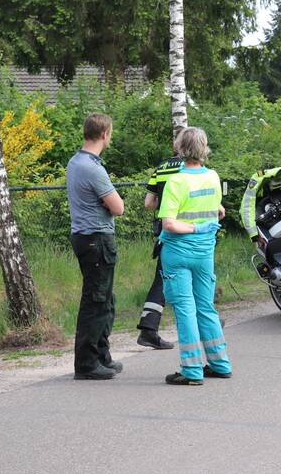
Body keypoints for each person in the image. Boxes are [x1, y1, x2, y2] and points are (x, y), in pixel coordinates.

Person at [158, 127, 231, 385]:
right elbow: (218, 210)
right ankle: (220, 363)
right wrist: (205, 223)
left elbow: (169, 224)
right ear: (204, 148)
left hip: (178, 252)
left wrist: (193, 227)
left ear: (180, 149)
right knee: (205, 307)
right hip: (204, 253)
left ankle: (191, 370)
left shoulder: (176, 182)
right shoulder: (212, 176)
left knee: (185, 310)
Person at [66, 113, 125, 380]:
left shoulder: (75, 162)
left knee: (104, 299)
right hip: (96, 239)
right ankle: (87, 363)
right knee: (96, 300)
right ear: (105, 134)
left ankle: (102, 355)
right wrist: (107, 203)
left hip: (84, 236)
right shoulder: (93, 168)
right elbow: (119, 207)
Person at [135, 156, 183, 350]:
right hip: (187, 229)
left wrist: (164, 206)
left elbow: (148, 203)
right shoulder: (192, 166)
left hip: (165, 231)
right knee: (196, 274)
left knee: (163, 277)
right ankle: (206, 322)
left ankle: (148, 326)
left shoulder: (161, 168)